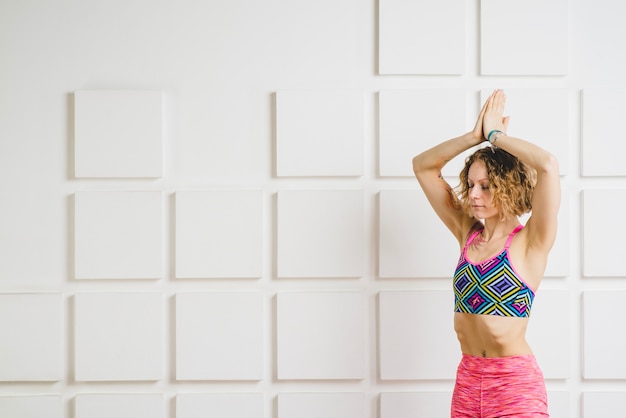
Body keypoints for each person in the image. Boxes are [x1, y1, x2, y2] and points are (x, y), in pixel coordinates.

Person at [412, 89, 560, 417]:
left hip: (514, 386)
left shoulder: (531, 241)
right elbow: (423, 167)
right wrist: (473, 137)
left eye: (487, 186)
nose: (474, 194)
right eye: (471, 183)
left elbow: (547, 165)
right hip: (467, 380)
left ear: (509, 186)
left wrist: (496, 136)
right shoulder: (467, 233)